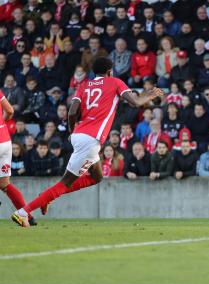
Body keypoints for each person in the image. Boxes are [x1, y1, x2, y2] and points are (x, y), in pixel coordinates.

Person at [11, 57, 164, 227]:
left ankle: (47, 196)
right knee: (65, 183)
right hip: (90, 141)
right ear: (109, 72)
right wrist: (148, 95)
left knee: (96, 176)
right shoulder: (115, 82)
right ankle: (23, 212)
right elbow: (135, 102)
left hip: (80, 135)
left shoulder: (83, 85)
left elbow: (72, 112)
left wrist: (71, 131)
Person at [0, 89, 35, 226]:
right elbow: (10, 111)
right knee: (4, 184)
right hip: (5, 142)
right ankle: (28, 216)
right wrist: (2, 123)